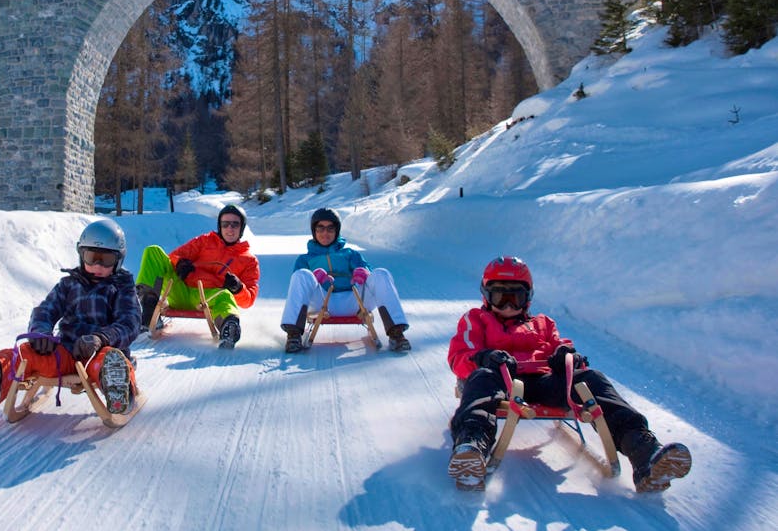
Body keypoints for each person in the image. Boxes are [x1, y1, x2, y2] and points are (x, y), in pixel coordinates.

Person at [447, 256, 692, 492]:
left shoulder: (543, 323)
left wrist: (567, 356)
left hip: (544, 381)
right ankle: (471, 446)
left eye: (516, 296)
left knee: (592, 379)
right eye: (501, 297)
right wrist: (483, 357)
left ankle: (644, 451)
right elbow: (460, 356)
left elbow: (560, 345)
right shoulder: (476, 319)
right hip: (500, 378)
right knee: (479, 380)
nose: (509, 305)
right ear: (487, 296)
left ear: (528, 298)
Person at [0, 218, 142, 415]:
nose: (97, 265)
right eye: (91, 257)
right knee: (26, 354)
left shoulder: (122, 288)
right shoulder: (69, 285)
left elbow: (129, 322)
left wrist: (101, 338)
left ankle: (119, 391)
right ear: (81, 255)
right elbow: (45, 311)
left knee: (109, 363)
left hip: (100, 352)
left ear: (118, 260)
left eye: (105, 260)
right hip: (65, 351)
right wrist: (41, 333)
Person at [280, 208, 411, 353]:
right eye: (320, 228)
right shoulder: (305, 259)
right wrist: (314, 278)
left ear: (337, 231)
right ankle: (293, 335)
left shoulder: (350, 254)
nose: (325, 233)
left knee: (381, 273)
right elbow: (297, 287)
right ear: (314, 231)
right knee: (301, 275)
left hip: (354, 301)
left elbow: (368, 272)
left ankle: (396, 333)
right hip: (321, 302)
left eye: (330, 228)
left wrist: (363, 272)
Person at [135, 204, 260, 349]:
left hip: (208, 298)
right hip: (180, 290)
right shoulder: (204, 241)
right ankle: (149, 312)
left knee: (225, 295)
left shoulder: (249, 260)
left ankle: (228, 327)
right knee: (153, 251)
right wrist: (180, 263)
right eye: (225, 224)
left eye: (235, 224)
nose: (230, 229)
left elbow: (249, 299)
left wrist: (238, 288)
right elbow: (174, 256)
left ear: (242, 228)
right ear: (220, 226)